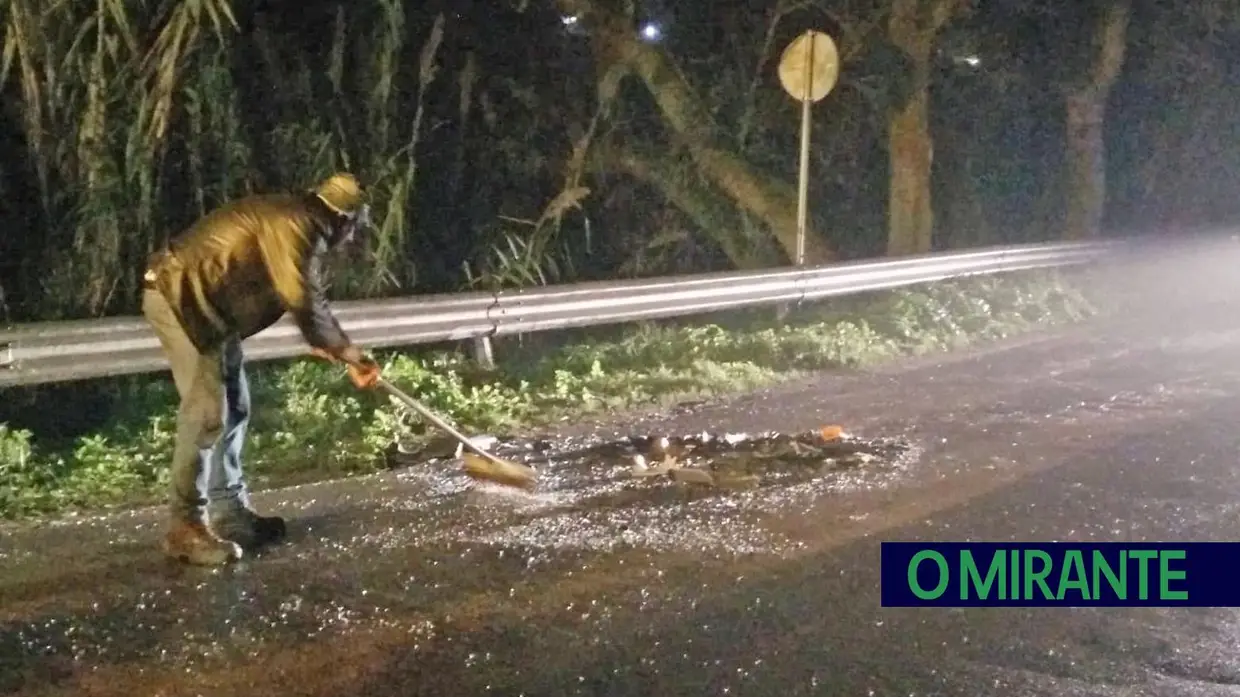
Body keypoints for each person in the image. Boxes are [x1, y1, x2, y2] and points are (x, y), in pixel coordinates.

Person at [141, 173, 382, 566]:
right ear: (344, 218)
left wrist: (325, 343)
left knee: (234, 405)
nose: (352, 236)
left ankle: (229, 513)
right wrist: (348, 351)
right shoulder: (298, 224)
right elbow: (301, 294)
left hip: (208, 307)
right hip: (181, 298)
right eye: (355, 227)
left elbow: (283, 287)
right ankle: (184, 526)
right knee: (207, 413)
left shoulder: (295, 216)